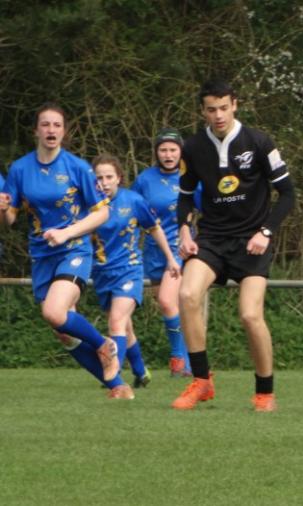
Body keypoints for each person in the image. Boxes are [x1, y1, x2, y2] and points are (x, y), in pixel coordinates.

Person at [171, 78, 295, 412]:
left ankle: (265, 392)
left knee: (250, 315)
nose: (218, 115)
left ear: (235, 105)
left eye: (223, 108)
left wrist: (265, 232)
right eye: (211, 110)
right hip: (211, 238)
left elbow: (288, 194)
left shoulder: (259, 142)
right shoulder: (194, 147)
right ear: (203, 111)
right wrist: (184, 230)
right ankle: (201, 381)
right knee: (186, 294)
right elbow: (184, 198)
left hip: (252, 241)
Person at [0, 103, 122, 395]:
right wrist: (3, 210)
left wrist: (67, 233)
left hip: (74, 250)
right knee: (63, 332)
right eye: (45, 124)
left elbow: (102, 213)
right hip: (42, 254)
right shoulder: (20, 169)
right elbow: (11, 219)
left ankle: (105, 345)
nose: (51, 130)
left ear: (64, 131)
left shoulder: (77, 167)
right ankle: (117, 385)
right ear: (36, 131)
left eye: (56, 125)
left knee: (55, 313)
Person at [92, 154, 181, 389]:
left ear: (119, 178)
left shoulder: (133, 201)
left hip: (129, 270)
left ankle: (114, 375)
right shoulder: (89, 205)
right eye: (99, 177)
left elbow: (155, 229)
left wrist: (171, 259)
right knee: (125, 327)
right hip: (102, 273)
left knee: (116, 321)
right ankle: (141, 372)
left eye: (109, 176)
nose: (104, 182)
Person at [133, 128, 199, 377]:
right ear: (156, 152)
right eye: (163, 149)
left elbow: (206, 209)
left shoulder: (190, 178)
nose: (168, 154)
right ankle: (188, 363)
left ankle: (178, 360)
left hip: (179, 250)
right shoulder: (144, 179)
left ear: (181, 151)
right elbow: (132, 211)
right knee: (171, 307)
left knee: (166, 300)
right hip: (152, 251)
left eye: (173, 149)